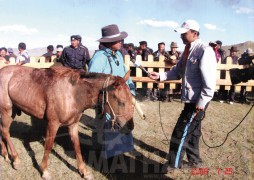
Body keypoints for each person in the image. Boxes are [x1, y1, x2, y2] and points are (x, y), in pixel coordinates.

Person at [149, 20, 217, 172]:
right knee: (193, 131)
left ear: (195, 33)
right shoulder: (188, 50)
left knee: (181, 131)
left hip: (198, 100)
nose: (181, 36)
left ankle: (173, 164)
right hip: (192, 99)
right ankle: (195, 161)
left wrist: (202, 101)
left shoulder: (204, 50)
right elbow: (177, 71)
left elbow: (210, 80)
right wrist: (160, 76)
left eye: (184, 33)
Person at [88, 24, 135, 160]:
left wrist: (130, 91)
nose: (121, 42)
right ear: (108, 42)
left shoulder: (118, 55)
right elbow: (92, 82)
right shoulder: (99, 58)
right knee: (105, 127)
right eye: (118, 40)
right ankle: (102, 158)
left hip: (120, 99)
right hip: (106, 102)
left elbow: (126, 75)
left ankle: (116, 153)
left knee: (121, 123)